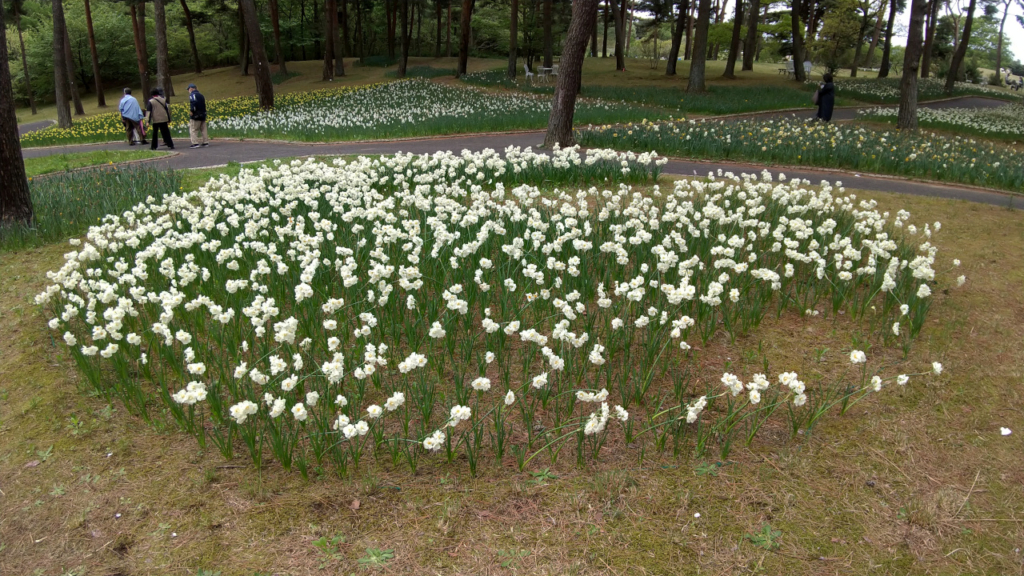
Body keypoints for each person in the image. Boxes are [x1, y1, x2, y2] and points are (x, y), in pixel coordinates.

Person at [187, 83, 209, 148]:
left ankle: (195, 143)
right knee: (203, 129)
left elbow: (194, 103)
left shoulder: (192, 95)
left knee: (193, 129)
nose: (188, 90)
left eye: (188, 89)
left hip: (196, 115)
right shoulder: (201, 95)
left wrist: (192, 111)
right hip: (203, 114)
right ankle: (205, 142)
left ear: (191, 88)